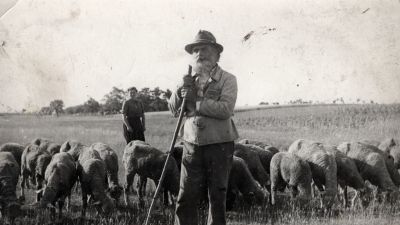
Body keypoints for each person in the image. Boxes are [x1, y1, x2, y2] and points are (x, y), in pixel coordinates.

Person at [169, 30, 239, 225]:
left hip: (220, 144)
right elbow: (174, 110)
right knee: (186, 195)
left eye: (205, 49)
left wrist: (196, 103)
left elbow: (226, 109)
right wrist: (179, 91)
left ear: (217, 54)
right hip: (191, 144)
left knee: (217, 196)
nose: (200, 54)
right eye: (196, 50)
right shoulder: (188, 79)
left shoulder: (228, 79)